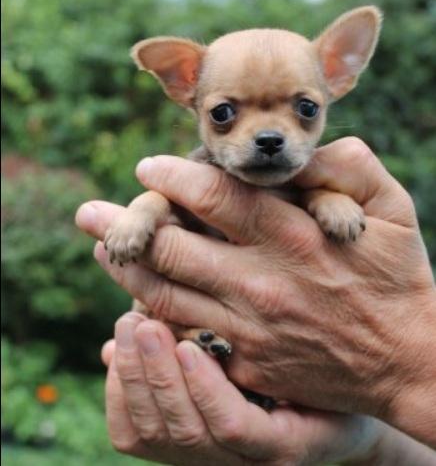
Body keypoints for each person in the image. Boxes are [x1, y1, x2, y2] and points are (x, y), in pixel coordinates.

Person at [76, 137, 436, 464]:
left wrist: (401, 368)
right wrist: (372, 443)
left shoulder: (309, 182)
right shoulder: (200, 175)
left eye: (303, 109)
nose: (267, 132)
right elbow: (165, 207)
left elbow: (308, 196)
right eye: (225, 113)